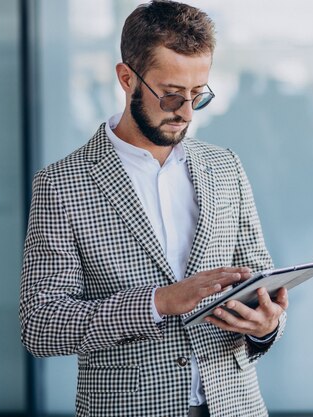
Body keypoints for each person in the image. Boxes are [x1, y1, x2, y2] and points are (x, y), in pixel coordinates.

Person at [19, 1, 288, 416]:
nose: (185, 113)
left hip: (236, 405)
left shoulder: (225, 167)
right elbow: (42, 324)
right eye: (171, 96)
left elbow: (259, 279)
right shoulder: (61, 184)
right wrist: (158, 302)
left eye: (198, 96)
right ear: (127, 78)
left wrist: (266, 326)